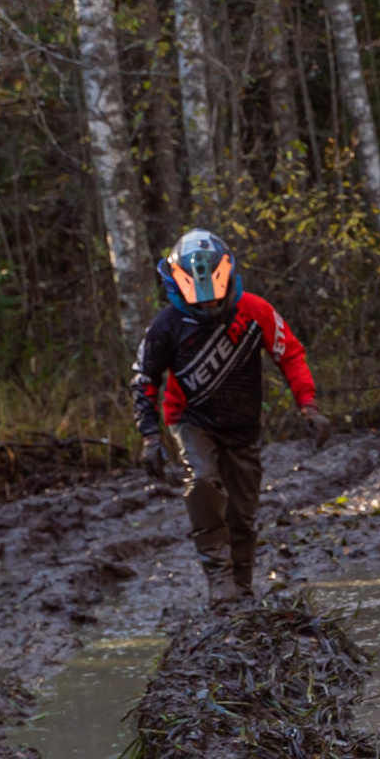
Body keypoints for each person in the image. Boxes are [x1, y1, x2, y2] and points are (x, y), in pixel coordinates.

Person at [132, 228, 324, 608]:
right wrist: (150, 436)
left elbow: (290, 354)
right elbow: (144, 379)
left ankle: (242, 587)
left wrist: (309, 406)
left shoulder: (255, 311)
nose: (206, 309)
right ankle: (219, 580)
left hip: (243, 424)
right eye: (198, 302)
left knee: (243, 509)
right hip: (190, 420)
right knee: (203, 481)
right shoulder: (165, 326)